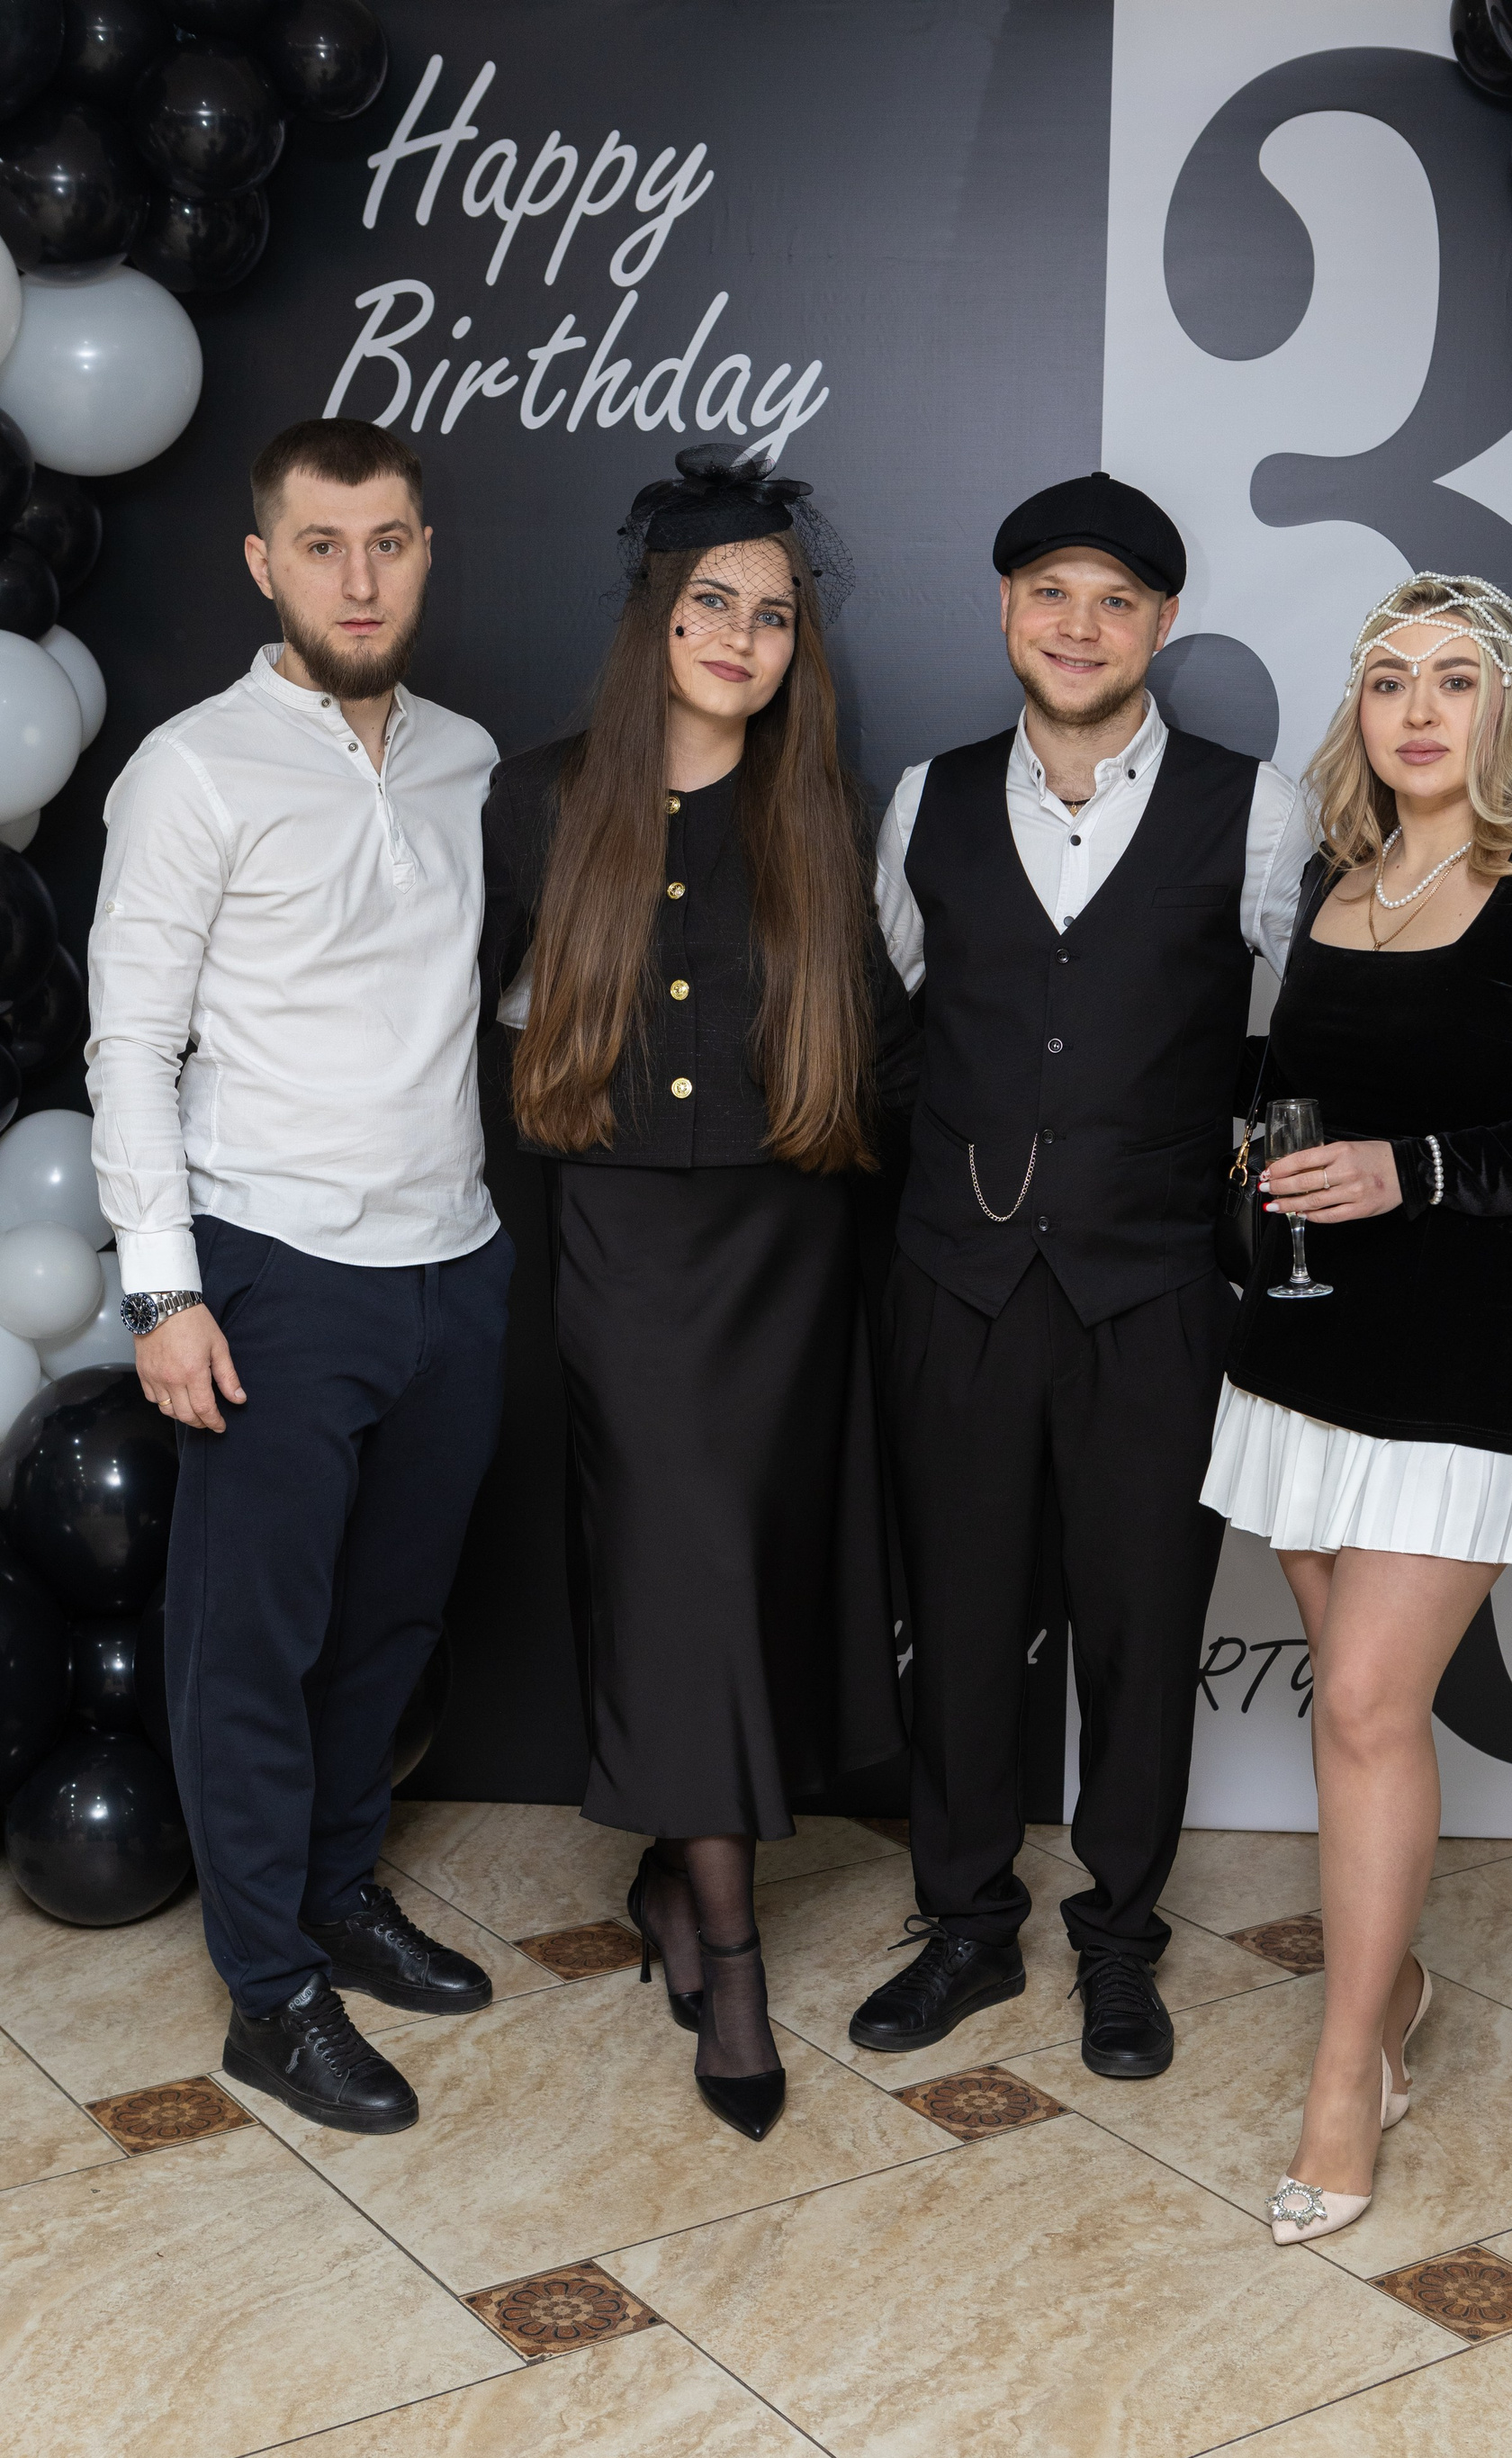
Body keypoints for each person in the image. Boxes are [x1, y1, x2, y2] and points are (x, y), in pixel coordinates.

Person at [1199, 572, 1512, 2244]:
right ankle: (1392, 1994)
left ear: (1505, 707)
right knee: (1354, 1709)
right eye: (1391, 677)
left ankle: (1347, 2077)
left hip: (1481, 1356)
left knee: (1364, 1705)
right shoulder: (1340, 875)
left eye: (1456, 679)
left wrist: (1420, 1171)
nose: (1419, 709)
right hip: (1314, 1349)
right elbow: (1297, 1086)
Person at [850, 471, 1312, 2078]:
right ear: (1005, 608)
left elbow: (1316, 1028)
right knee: (962, 1625)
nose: (1079, 625)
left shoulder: (1258, 811)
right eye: (1051, 591)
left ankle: (1120, 1942)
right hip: (957, 1287)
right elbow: (898, 1025)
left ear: (1163, 625)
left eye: (1116, 600)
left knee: (1142, 1632)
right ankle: (967, 1927)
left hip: (1155, 1296)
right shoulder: (925, 799)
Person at [480, 445, 917, 2143]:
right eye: (712, 603)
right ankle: (729, 1958)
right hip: (620, 1246)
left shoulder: (832, 816)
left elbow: (894, 1047)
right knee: (683, 1560)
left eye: (774, 615)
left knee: (740, 1575)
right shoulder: (538, 800)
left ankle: (677, 1871)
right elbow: (468, 1019)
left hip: (787, 1247)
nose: (741, 637)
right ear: (654, 614)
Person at [86, 419, 514, 2137]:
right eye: (323, 547)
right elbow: (130, 1042)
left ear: (425, 554)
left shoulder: (470, 760)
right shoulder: (190, 769)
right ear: (265, 564)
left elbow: (485, 994)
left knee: (388, 1629)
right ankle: (269, 1990)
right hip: (268, 1268)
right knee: (249, 1649)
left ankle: (338, 1893)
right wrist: (162, 1290)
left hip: (452, 1263)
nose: (359, 578)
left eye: (389, 542)